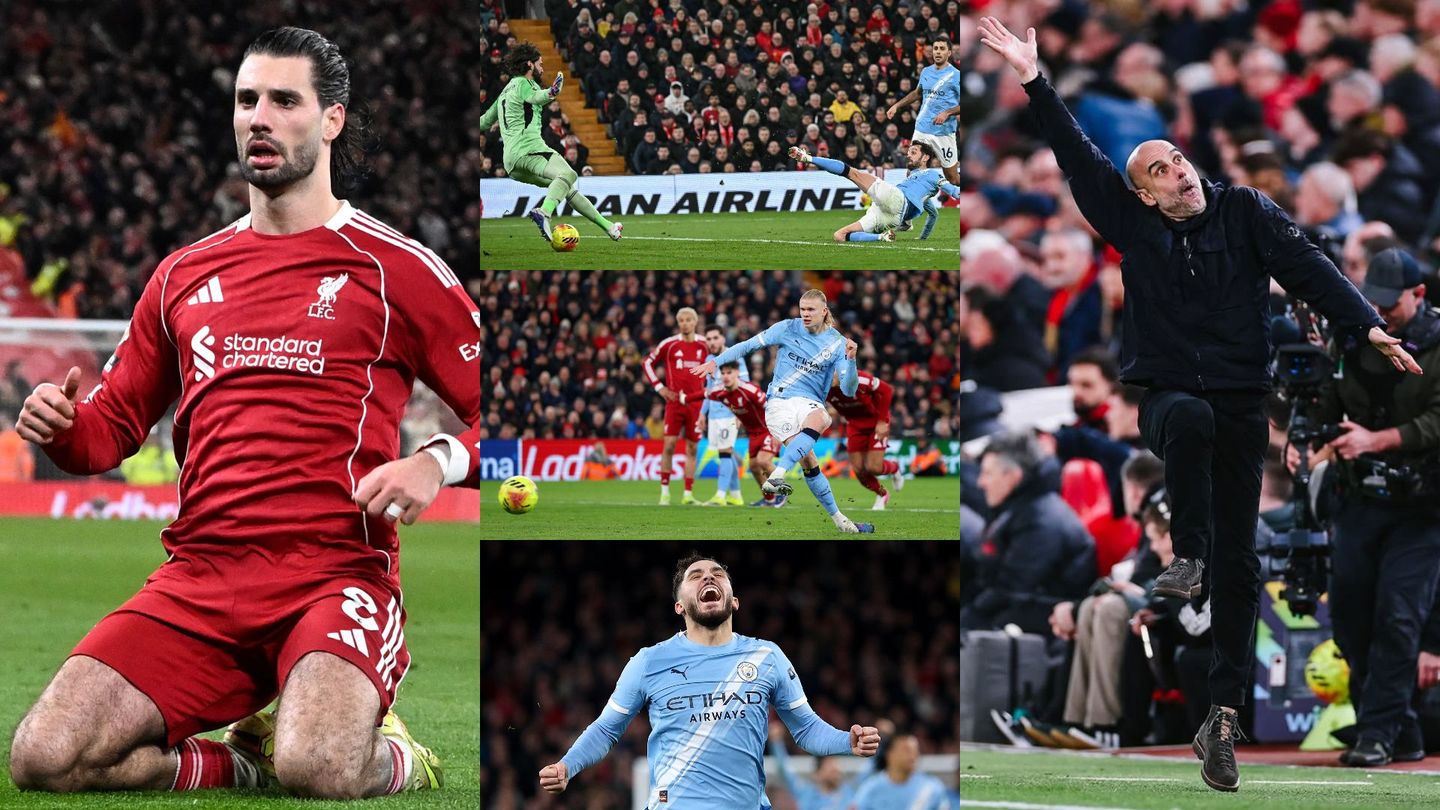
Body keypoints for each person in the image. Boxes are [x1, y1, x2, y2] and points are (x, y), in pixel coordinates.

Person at [7, 27, 479, 798]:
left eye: (284, 100)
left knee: (321, 767)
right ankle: (244, 759)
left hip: (336, 576)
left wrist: (439, 460)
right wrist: (63, 425)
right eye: (246, 99)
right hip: (200, 579)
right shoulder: (183, 276)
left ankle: (396, 755)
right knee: (45, 758)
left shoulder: (397, 270)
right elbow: (108, 433)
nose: (259, 116)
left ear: (331, 120)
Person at [978, 15, 1421, 793]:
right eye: (1160, 170)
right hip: (1171, 395)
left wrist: (1368, 325)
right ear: (1141, 195)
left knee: (1243, 560)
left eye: (1180, 160)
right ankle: (1185, 557)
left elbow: (1311, 268)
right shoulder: (1126, 226)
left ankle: (1219, 719)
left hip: (1244, 399)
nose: (1179, 172)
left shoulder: (1246, 210)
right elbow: (1076, 156)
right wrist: (1032, 79)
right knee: (1187, 420)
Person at [537, 554, 881, 804]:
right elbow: (605, 729)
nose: (708, 578)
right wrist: (568, 765)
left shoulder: (766, 656)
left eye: (717, 573)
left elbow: (806, 729)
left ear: (734, 601)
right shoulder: (648, 661)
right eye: (696, 575)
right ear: (679, 606)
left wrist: (845, 742)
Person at [1307, 248, 1440, 767]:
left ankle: (1377, 733)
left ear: (1420, 295)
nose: (1381, 313)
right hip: (1359, 498)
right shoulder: (1349, 337)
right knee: (1349, 616)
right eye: (1374, 302)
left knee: (1398, 616)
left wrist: (1380, 439)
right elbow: (1324, 404)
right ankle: (1396, 728)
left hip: (1424, 506)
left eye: (1392, 304)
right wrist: (1309, 438)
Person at [691, 289, 873, 533]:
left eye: (810, 310)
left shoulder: (838, 343)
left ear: (824, 311)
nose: (805, 314)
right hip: (779, 402)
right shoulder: (787, 327)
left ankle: (841, 522)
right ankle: (778, 475)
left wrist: (851, 361)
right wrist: (716, 362)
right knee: (819, 423)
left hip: (809, 403)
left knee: (810, 457)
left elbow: (850, 390)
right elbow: (747, 345)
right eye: (802, 309)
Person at [478, 42, 623, 243]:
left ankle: (609, 227)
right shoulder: (524, 83)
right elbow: (536, 97)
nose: (542, 68)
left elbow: (484, 121)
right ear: (530, 64)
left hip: (511, 162)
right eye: (540, 63)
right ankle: (544, 213)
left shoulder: (505, 91)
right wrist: (551, 92)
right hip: (528, 149)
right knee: (568, 173)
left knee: (567, 187)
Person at [786, 142, 958, 242]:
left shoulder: (932, 174)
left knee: (852, 173)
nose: (908, 155)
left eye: (914, 152)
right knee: (839, 235)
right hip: (888, 215)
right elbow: (933, 214)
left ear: (926, 158)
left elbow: (953, 190)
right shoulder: (917, 181)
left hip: (897, 200)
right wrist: (921, 239)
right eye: (908, 152)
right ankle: (882, 238)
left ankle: (807, 158)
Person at [885, 35, 960, 232]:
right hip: (922, 128)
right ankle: (906, 218)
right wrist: (897, 105)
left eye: (942, 49)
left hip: (944, 133)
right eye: (935, 48)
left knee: (952, 177)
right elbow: (918, 93)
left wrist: (948, 112)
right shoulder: (926, 72)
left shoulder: (957, 75)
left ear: (949, 53)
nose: (937, 52)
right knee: (912, 170)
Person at [643, 307, 708, 506]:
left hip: (696, 404)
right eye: (681, 320)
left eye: (688, 320)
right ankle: (665, 492)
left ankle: (688, 494)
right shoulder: (669, 344)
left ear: (695, 322)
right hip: (673, 404)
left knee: (692, 448)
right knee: (669, 445)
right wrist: (659, 387)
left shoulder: (705, 345)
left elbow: (718, 367)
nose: (685, 323)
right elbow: (647, 363)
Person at [704, 361, 786, 508]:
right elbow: (704, 394)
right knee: (754, 466)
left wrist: (777, 432)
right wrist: (683, 398)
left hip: (768, 429)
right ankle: (769, 499)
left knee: (763, 461)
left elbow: (771, 407)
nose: (726, 376)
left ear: (737, 372)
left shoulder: (750, 390)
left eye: (729, 372)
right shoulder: (721, 392)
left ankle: (782, 491)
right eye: (723, 373)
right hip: (753, 434)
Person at [826, 369, 904, 510]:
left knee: (874, 467)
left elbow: (887, 390)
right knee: (859, 470)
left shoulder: (860, 379)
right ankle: (882, 493)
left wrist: (881, 422)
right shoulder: (823, 386)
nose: (827, 377)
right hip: (855, 425)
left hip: (876, 422)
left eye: (831, 373)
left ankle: (895, 468)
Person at [700, 326, 751, 507]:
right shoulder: (708, 360)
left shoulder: (734, 356)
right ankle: (736, 496)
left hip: (729, 413)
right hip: (714, 414)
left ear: (723, 338)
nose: (711, 342)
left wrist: (741, 413)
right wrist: (702, 413)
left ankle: (720, 495)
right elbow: (709, 390)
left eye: (715, 338)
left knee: (725, 453)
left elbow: (745, 385)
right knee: (726, 453)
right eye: (708, 338)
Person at [767, 720, 861, 810]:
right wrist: (776, 742)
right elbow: (784, 771)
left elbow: (869, 770)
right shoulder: (806, 793)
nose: (836, 770)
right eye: (831, 768)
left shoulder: (849, 792)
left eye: (836, 768)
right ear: (817, 774)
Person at [850, 733, 952, 809]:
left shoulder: (931, 787)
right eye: (906, 750)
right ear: (889, 755)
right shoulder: (870, 789)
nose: (913, 755)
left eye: (915, 750)